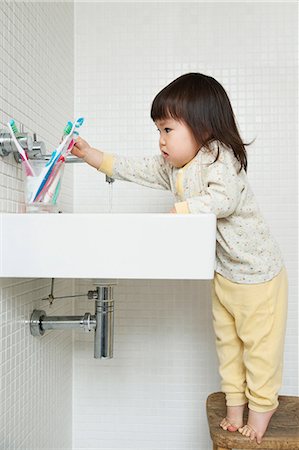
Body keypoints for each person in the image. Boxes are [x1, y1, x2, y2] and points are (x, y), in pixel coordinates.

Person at [71, 73, 288, 445]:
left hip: (258, 277)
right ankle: (235, 406)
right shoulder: (174, 168)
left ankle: (263, 407)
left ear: (202, 127)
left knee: (259, 349)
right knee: (228, 345)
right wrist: (92, 156)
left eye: (167, 129)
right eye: (159, 130)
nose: (161, 141)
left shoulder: (220, 156)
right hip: (225, 275)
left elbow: (224, 200)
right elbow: (134, 168)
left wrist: (182, 211)